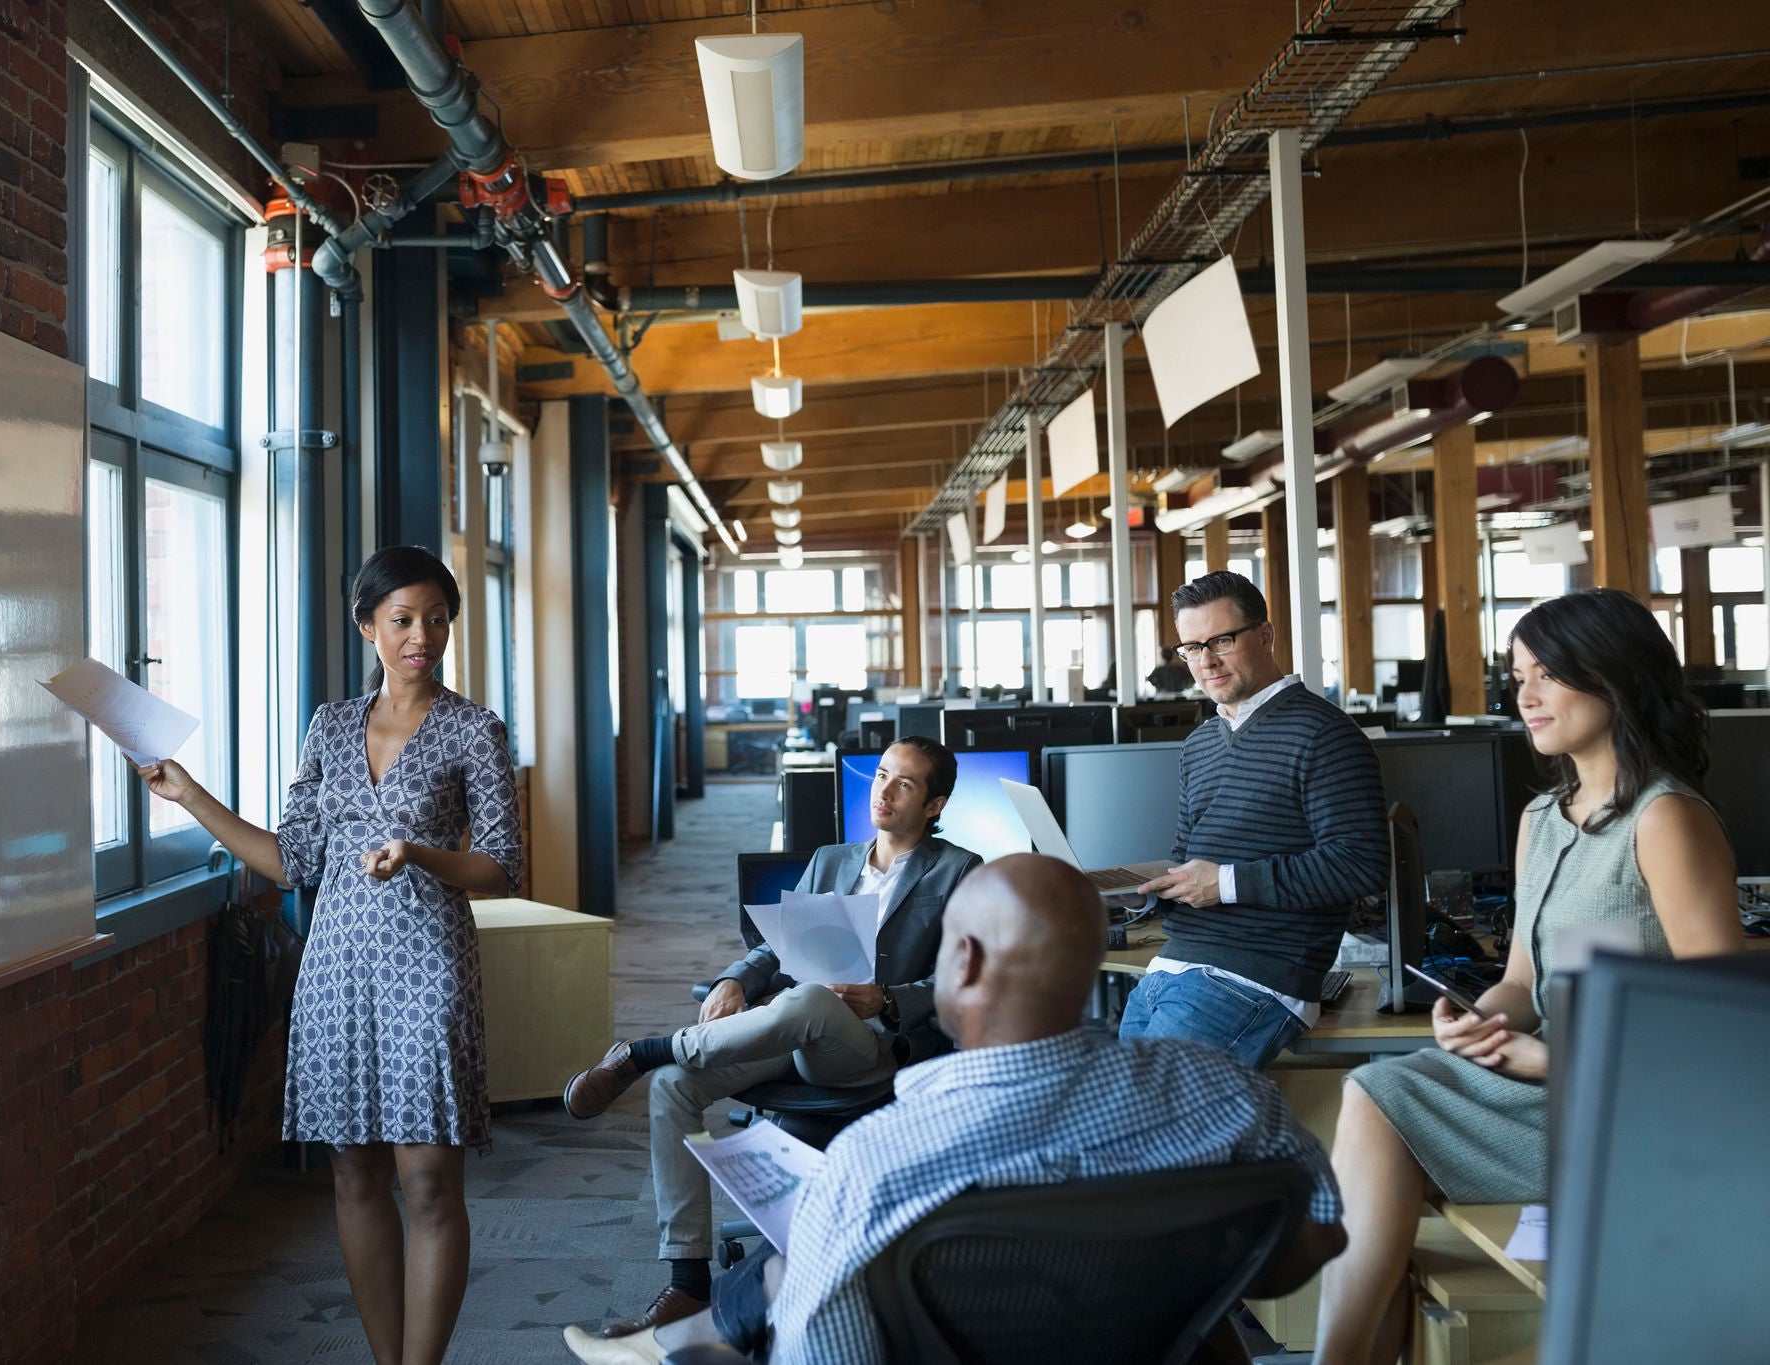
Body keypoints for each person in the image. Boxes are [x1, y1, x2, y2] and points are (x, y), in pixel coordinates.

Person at [560, 855, 1347, 1365]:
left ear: (961, 959)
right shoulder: (1229, 1097)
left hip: (864, 1087)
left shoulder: (874, 1163)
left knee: (805, 1262)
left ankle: (676, 1346)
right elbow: (1311, 1240)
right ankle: (680, 1339)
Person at [1313, 589, 1744, 1365]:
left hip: (1634, 1113)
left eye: (1549, 673)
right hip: (1550, 1083)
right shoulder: (1544, 816)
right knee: (1379, 1087)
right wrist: (1479, 1017)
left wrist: (1544, 1059)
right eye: (1519, 674)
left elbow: (1717, 1042)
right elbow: (1520, 976)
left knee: (1381, 1097)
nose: (1527, 695)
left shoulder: (1666, 819)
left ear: (1613, 677)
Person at [137, 546, 522, 1365]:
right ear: (368, 627)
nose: (423, 635)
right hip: (337, 969)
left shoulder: (474, 730)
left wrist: (416, 851)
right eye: (404, 619)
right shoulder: (330, 725)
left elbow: (499, 863)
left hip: (428, 965)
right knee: (352, 1172)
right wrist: (190, 792)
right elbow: (291, 861)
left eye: (437, 619)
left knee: (427, 1179)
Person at [559, 737, 981, 1337]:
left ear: (934, 804)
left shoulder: (960, 871)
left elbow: (962, 978)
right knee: (675, 1088)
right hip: (794, 1031)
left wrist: (887, 998)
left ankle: (644, 1050)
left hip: (872, 1050)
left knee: (805, 998)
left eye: (904, 784)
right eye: (880, 775)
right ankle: (686, 1283)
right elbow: (776, 947)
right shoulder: (832, 860)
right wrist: (735, 977)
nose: (883, 792)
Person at [1126, 570, 1389, 1066]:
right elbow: (1189, 860)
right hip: (1172, 967)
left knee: (1138, 1130)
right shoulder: (1199, 744)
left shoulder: (1324, 734)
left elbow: (1361, 865)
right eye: (1191, 647)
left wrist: (1224, 884)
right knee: (1120, 1124)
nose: (1206, 661)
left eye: (1221, 640)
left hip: (1256, 975)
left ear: (1265, 636)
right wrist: (1143, 893)